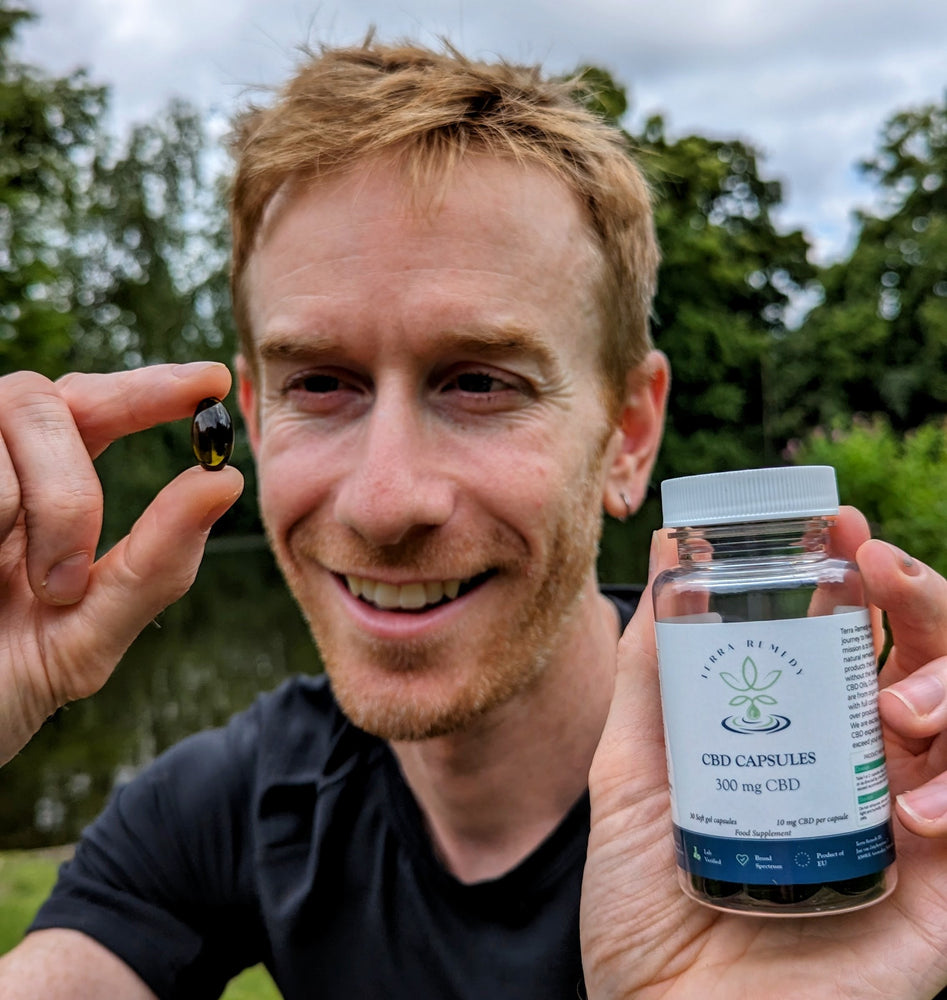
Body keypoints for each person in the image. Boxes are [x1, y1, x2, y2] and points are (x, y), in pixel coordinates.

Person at [1, 37, 947, 1000]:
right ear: (250, 419)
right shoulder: (219, 807)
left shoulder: (821, 812)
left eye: (480, 382)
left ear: (628, 433)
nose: (383, 502)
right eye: (320, 383)